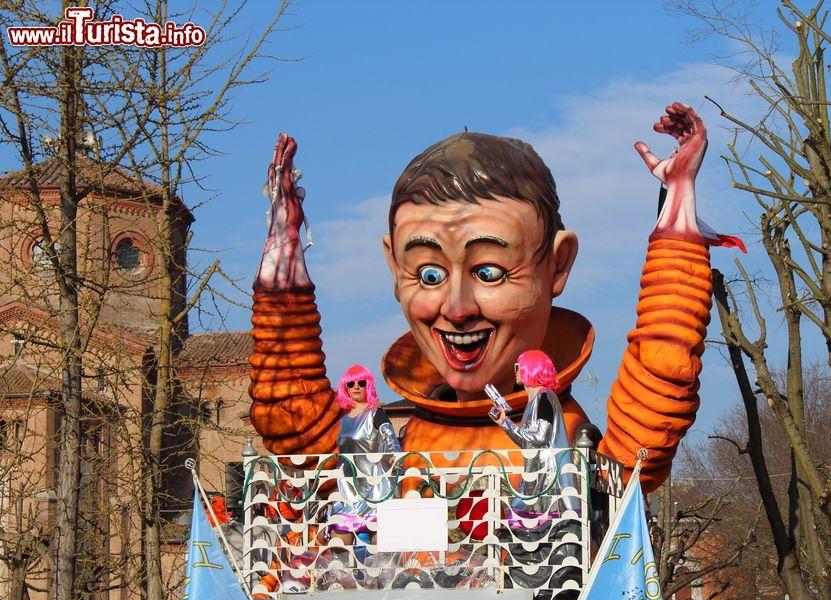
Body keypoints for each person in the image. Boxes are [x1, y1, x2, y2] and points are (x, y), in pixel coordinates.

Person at [249, 101, 742, 494]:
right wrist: (282, 269)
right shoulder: (396, 441)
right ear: (392, 265)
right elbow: (299, 443)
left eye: (489, 271)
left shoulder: (569, 441)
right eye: (426, 274)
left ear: (558, 265)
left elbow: (650, 420)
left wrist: (679, 206)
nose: (457, 308)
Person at [489, 349, 580, 524]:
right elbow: (527, 442)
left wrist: (507, 424)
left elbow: (539, 436)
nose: (515, 371)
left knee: (520, 523)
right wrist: (504, 422)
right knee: (522, 525)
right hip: (537, 477)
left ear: (531, 369)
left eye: (518, 366)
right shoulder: (538, 400)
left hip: (548, 481)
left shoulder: (544, 398)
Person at [328, 365, 401, 544]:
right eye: (350, 384)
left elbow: (390, 437)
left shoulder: (376, 412)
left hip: (377, 486)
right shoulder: (341, 420)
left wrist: (395, 454)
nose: (356, 387)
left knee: (381, 545)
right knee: (339, 541)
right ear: (345, 388)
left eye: (361, 382)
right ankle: (343, 573)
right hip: (349, 488)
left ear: (367, 385)